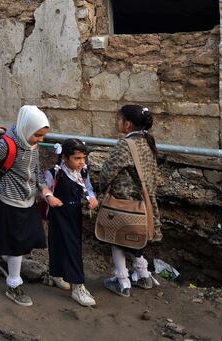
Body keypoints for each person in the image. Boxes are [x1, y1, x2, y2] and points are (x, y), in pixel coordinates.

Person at [0, 105, 53, 307]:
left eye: (42, 136)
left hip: (28, 199)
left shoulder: (31, 143)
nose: (40, 140)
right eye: (38, 135)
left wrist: (44, 190)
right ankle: (13, 284)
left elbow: (36, 170)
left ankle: (4, 258)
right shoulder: (6, 146)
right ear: (27, 128)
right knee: (17, 243)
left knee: (26, 239)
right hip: (10, 201)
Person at [94, 104, 162, 298]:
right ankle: (143, 274)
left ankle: (122, 280)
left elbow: (108, 171)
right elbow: (156, 175)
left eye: (119, 120)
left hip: (125, 201)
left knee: (117, 238)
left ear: (128, 125)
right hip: (145, 201)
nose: (117, 123)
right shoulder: (148, 142)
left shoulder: (126, 145)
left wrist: (102, 187)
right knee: (136, 237)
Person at [44, 139, 98, 307]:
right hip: (58, 213)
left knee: (68, 244)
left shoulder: (83, 172)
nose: (81, 162)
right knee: (65, 245)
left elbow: (88, 188)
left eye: (84, 158)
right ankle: (78, 286)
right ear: (65, 157)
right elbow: (43, 188)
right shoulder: (55, 173)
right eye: (77, 158)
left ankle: (56, 273)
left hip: (74, 214)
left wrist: (92, 198)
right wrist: (49, 197)